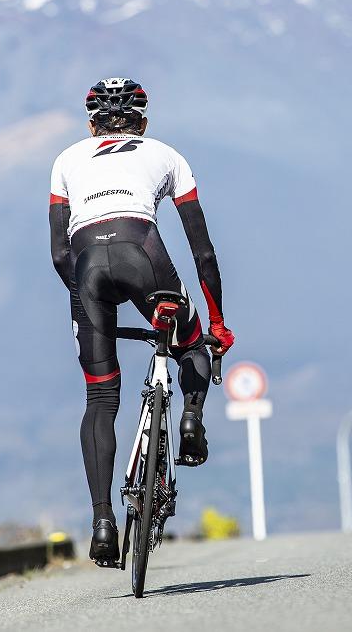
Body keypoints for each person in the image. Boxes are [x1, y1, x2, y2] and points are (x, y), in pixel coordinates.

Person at [49, 77, 235, 566]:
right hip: (144, 255)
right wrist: (217, 323)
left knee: (100, 396)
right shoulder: (166, 154)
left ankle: (103, 523)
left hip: (86, 268)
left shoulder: (66, 160)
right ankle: (192, 417)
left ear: (92, 126)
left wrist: (90, 301)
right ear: (143, 122)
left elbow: (57, 254)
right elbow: (203, 250)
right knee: (191, 343)